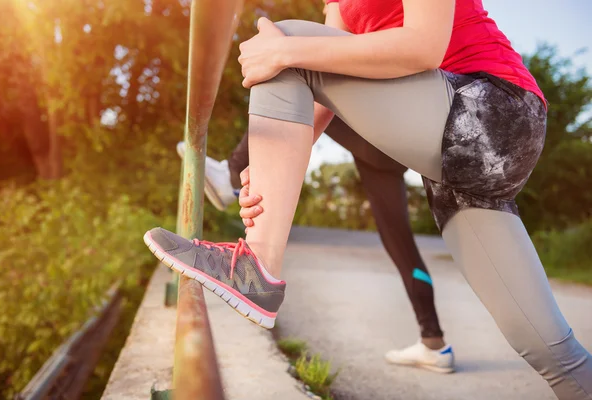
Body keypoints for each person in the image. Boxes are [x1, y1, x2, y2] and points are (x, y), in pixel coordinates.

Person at [144, 0, 592, 397]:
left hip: (493, 111)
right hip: (453, 168)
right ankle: (256, 262)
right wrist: (265, 176)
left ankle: (256, 266)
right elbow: (322, 87)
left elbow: (423, 45)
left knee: (286, 40)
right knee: (550, 351)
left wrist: (284, 51)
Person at [178, 116, 455, 373]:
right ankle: (434, 342)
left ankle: (231, 174)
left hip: (378, 131)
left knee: (294, 75)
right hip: (392, 149)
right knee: (401, 244)